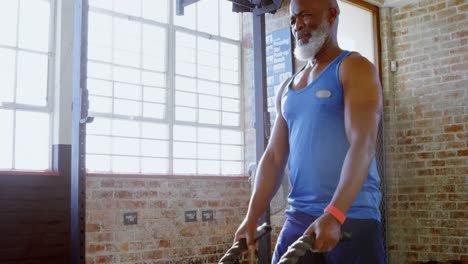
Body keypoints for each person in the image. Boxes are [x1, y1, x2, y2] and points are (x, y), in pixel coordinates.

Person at [234, 0, 385, 263]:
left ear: (332, 14)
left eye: (305, 16)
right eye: (293, 20)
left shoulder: (354, 68)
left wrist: (336, 213)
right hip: (300, 216)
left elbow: (363, 145)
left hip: (352, 215)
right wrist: (251, 217)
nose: (298, 26)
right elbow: (273, 158)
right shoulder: (287, 88)